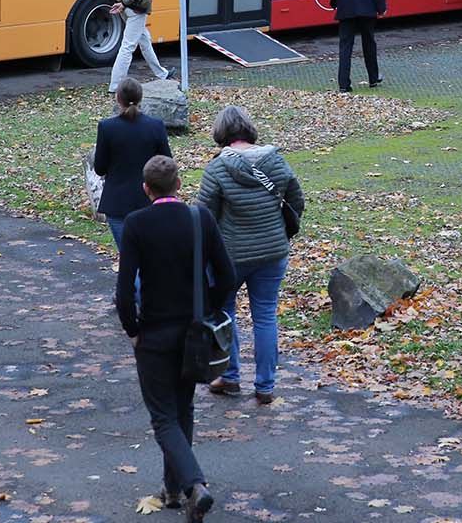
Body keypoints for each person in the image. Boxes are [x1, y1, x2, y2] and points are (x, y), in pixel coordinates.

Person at [117, 156, 235, 522]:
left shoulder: (136, 224)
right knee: (182, 410)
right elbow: (227, 277)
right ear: (180, 185)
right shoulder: (200, 219)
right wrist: (210, 309)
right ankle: (173, 491)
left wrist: (132, 329)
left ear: (146, 189)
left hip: (154, 333)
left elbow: (124, 290)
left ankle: (194, 485)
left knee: (163, 417)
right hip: (192, 333)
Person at [196, 106, 304, 405]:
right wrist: (283, 232)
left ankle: (229, 377)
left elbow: (204, 216)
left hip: (230, 256)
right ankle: (265, 385)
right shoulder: (277, 162)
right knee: (266, 316)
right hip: (272, 252)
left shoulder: (217, 169)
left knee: (226, 312)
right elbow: (296, 201)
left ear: (222, 133)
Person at [93, 77, 171, 252]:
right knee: (150, 256)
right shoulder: (155, 126)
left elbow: (99, 168)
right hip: (150, 200)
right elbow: (167, 163)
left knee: (130, 258)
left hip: (117, 202)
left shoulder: (107, 127)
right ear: (141, 97)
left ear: (117, 98)